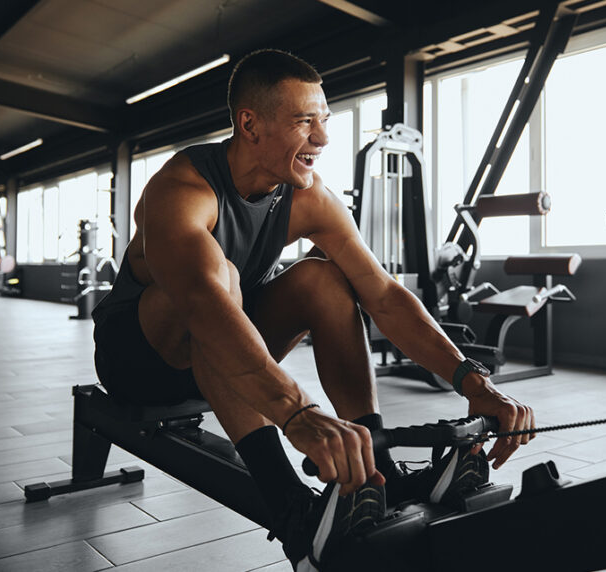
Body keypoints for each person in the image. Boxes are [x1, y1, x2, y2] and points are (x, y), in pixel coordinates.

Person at [92, 49, 535, 568]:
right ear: (250, 124)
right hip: (141, 363)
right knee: (222, 283)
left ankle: (380, 470)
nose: (323, 140)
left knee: (325, 278)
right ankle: (291, 511)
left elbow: (384, 295)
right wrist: (299, 414)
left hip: (224, 360)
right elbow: (205, 307)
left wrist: (472, 380)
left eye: (323, 121)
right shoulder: (183, 190)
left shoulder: (307, 198)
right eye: (306, 123)